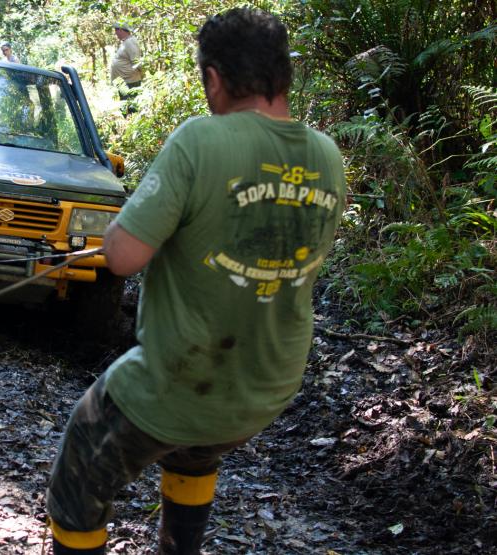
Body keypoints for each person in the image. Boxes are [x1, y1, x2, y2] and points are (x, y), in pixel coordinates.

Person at [46, 8, 346, 555]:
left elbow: (123, 258)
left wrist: (124, 233)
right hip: (265, 385)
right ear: (284, 73)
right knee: (195, 448)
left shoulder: (200, 141)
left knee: (80, 469)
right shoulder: (327, 155)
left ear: (213, 78)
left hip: (183, 381)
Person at [109, 22, 143, 100]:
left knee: (131, 105)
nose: (115, 33)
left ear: (121, 30)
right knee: (126, 105)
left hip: (131, 82)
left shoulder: (130, 42)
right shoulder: (126, 42)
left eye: (116, 30)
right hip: (124, 82)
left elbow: (136, 62)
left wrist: (142, 74)